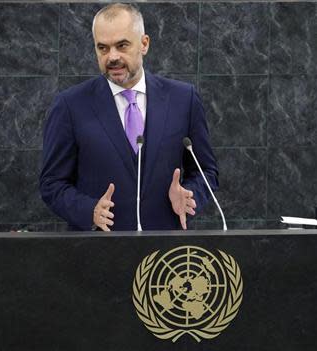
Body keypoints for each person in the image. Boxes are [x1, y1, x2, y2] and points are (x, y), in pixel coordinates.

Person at [40, 3, 218, 232]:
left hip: (164, 251)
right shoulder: (70, 105)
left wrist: (191, 195)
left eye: (122, 45)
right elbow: (51, 184)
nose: (112, 57)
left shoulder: (183, 99)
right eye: (103, 48)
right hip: (97, 252)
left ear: (144, 44)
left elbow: (207, 172)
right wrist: (89, 211)